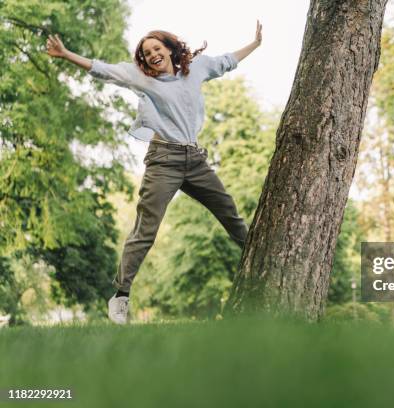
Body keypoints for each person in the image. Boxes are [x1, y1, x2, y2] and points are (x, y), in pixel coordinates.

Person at [46, 21, 263, 324]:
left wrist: (255, 44)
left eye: (156, 49)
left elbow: (226, 62)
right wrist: (66, 54)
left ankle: (264, 269)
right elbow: (104, 69)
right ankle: (121, 295)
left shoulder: (196, 69)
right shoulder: (142, 79)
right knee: (146, 230)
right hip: (164, 160)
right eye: (147, 53)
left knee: (231, 214)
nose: (152, 55)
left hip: (195, 159)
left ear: (170, 49)